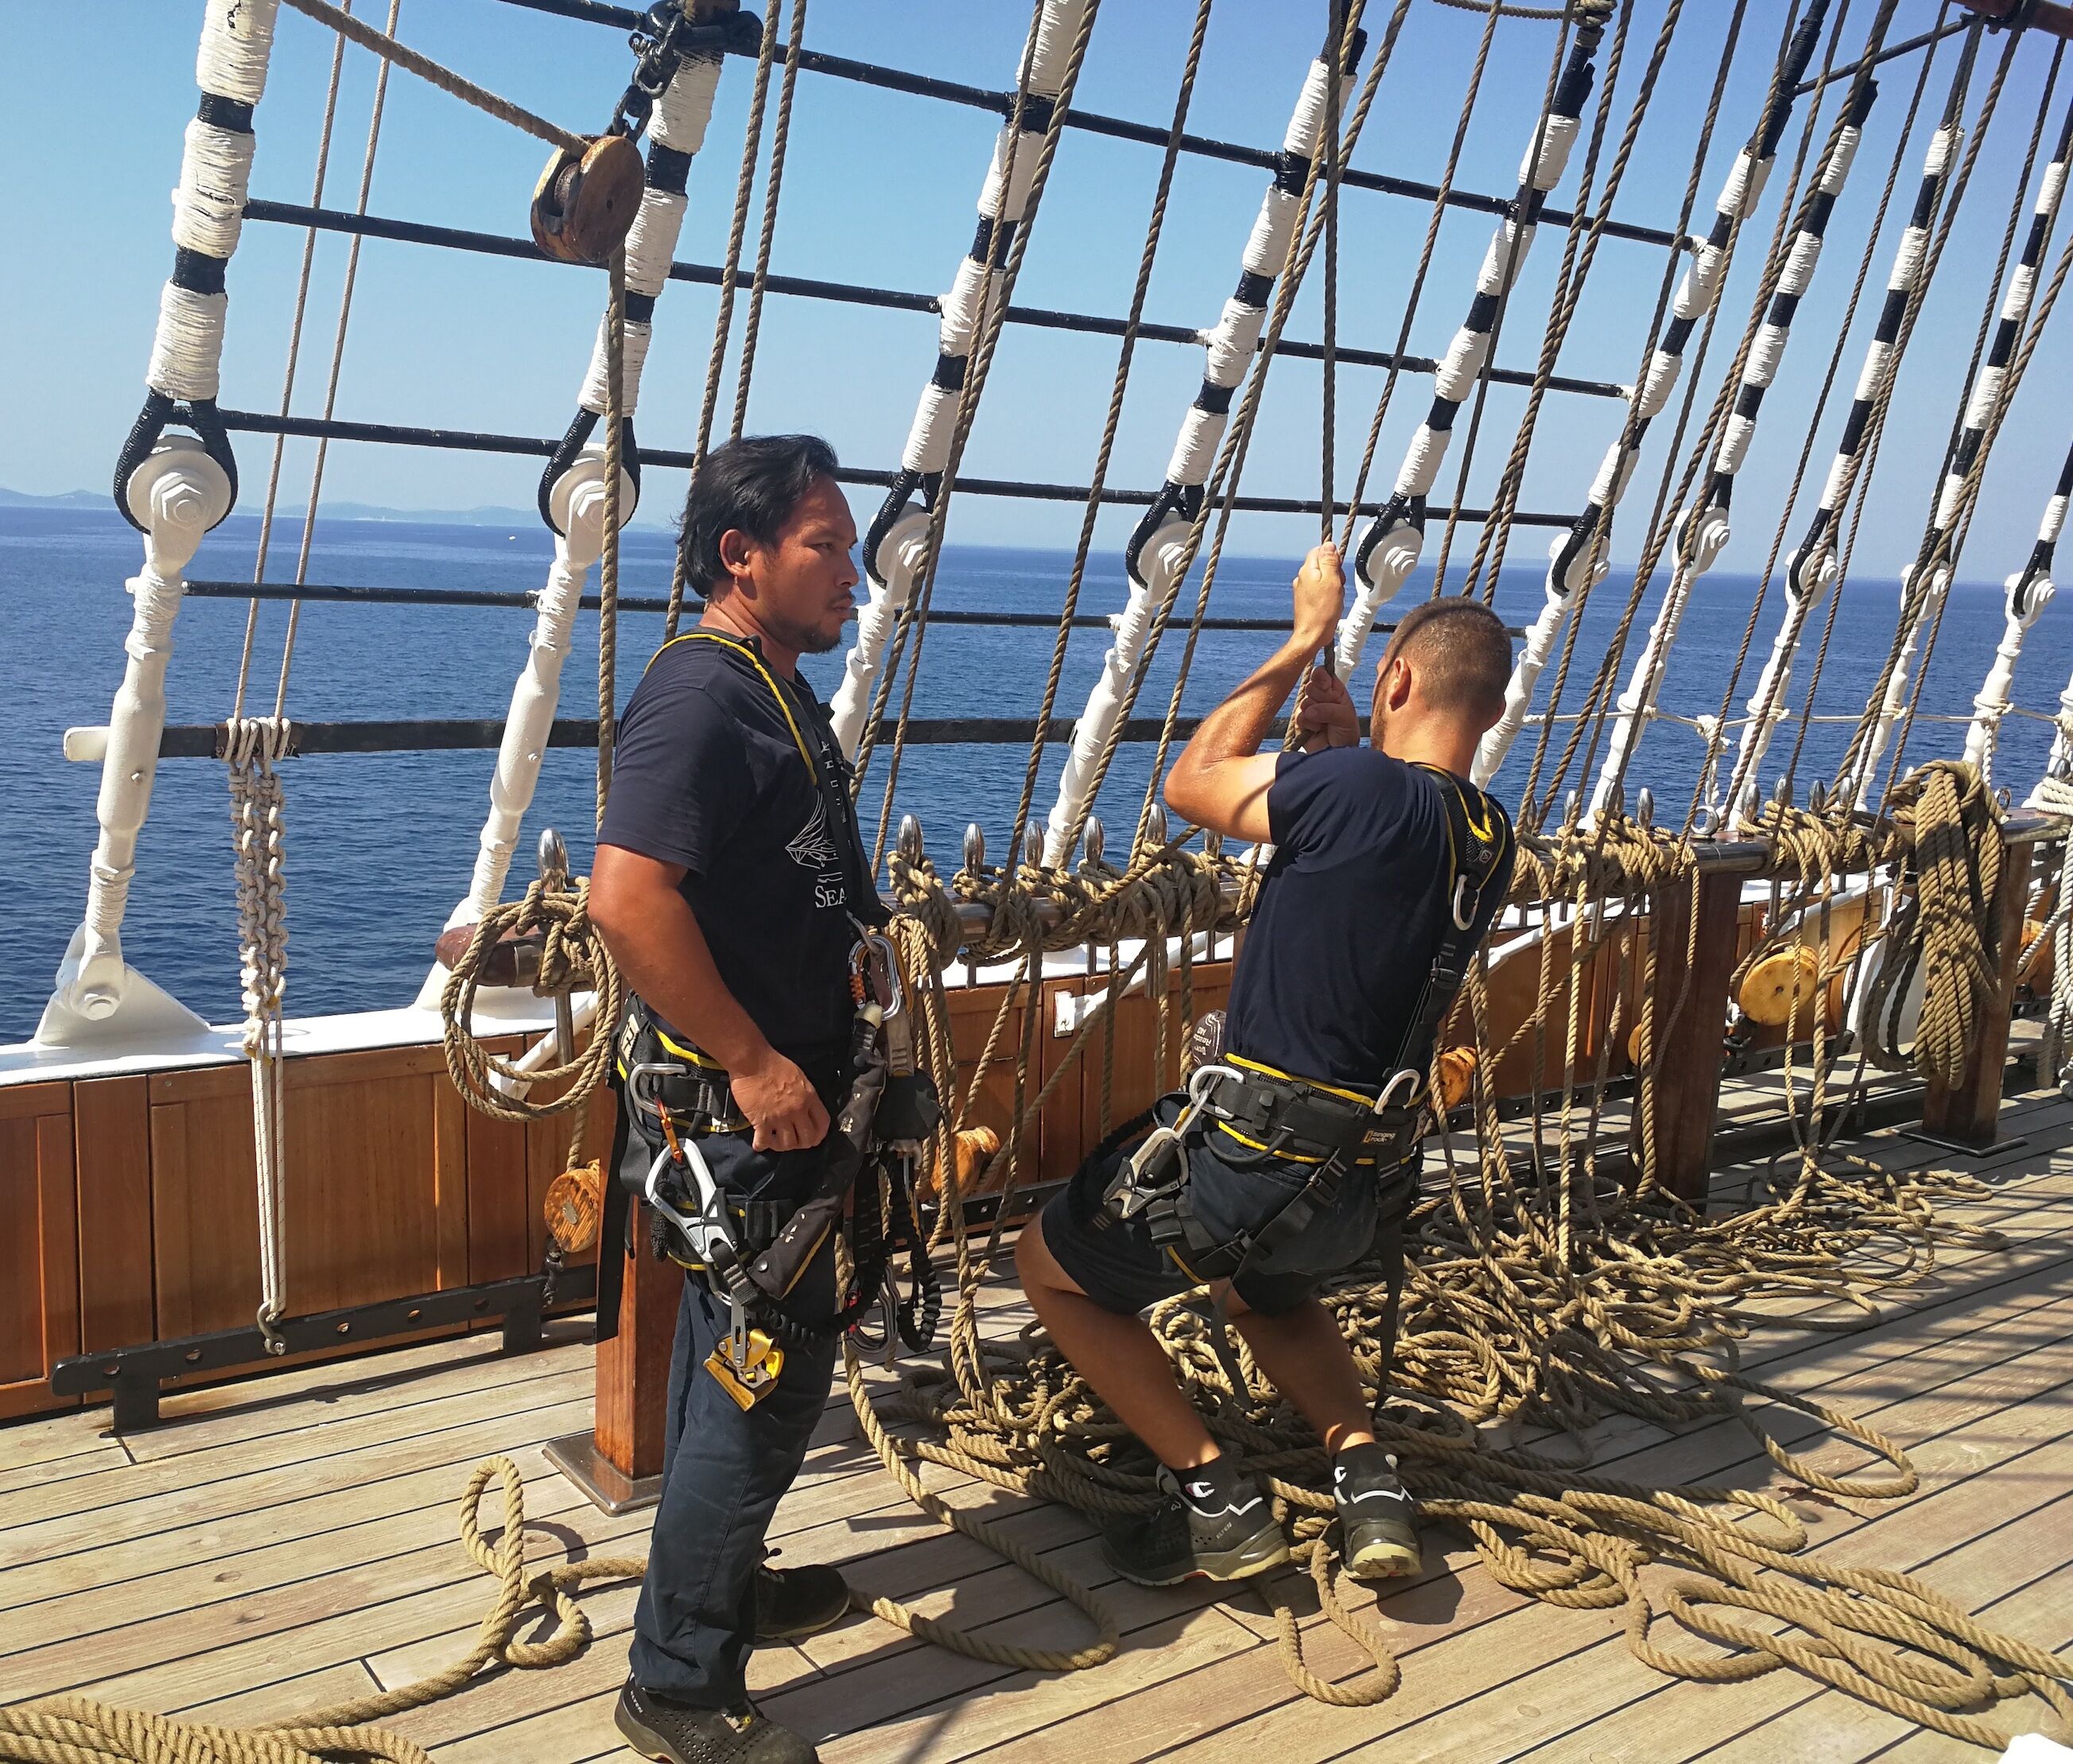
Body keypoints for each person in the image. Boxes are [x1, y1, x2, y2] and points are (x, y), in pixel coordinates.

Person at [1016, 542, 1516, 1589]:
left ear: (1396, 680)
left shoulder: (1355, 790)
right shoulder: (1485, 835)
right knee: (1266, 1293)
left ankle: (1215, 1498)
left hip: (1251, 1161)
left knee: (1049, 1266)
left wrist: (1302, 643)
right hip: (1364, 1180)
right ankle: (1367, 1480)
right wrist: (1342, 749)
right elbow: (1372, 858)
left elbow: (1190, 784)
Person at [588, 434, 879, 1764]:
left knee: (732, 1365)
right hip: (744, 1117)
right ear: (740, 555)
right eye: (826, 545)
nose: (853, 572)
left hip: (781, 1107)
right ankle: (679, 1684)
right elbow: (627, 898)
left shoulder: (773, 688)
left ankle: (718, 1588)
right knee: (764, 1378)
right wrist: (757, 1063)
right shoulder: (703, 698)